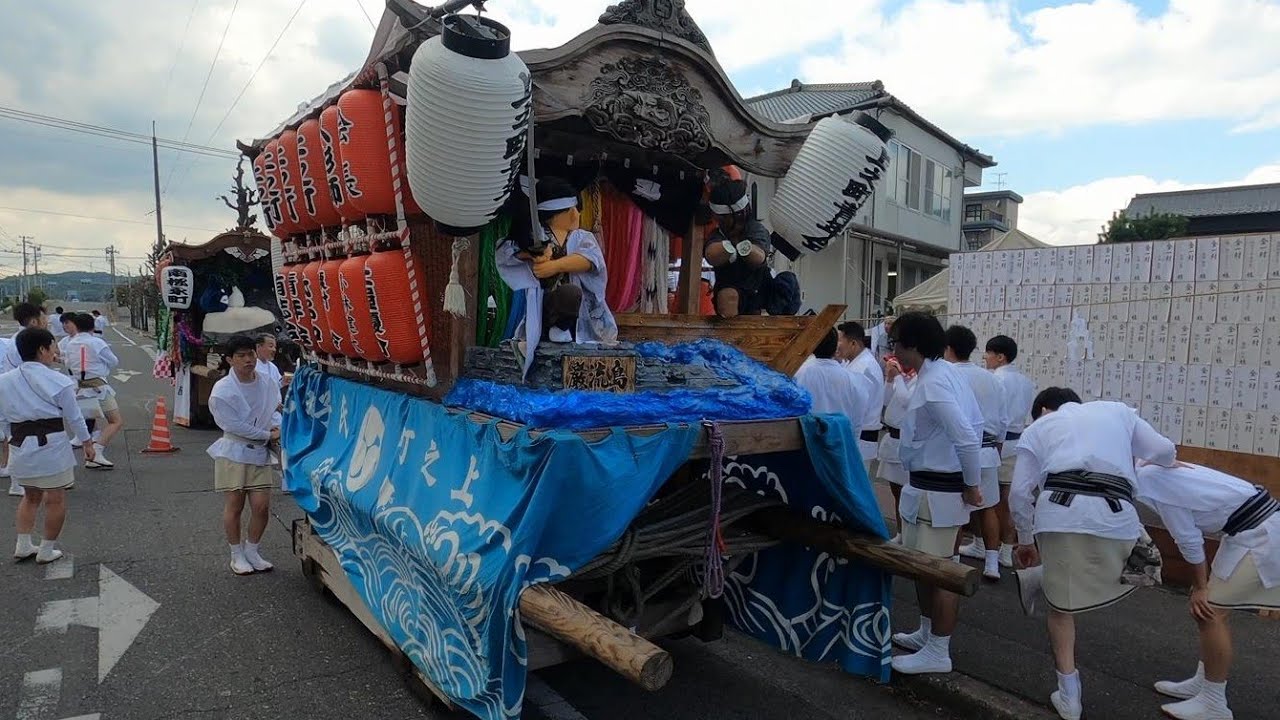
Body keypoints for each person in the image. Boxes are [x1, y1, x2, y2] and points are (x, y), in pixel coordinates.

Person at [1010, 387, 1178, 720]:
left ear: (1044, 410)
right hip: (1117, 514)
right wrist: (1149, 462)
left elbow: (1018, 494)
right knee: (1138, 568)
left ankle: (1070, 696)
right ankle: (1048, 577)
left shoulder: (1037, 428)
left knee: (1061, 606)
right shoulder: (1117, 411)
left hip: (1056, 514)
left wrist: (1025, 541)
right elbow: (1166, 451)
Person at [1134, 462, 1278, 720]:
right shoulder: (1147, 467)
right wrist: (1200, 584)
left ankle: (1214, 703)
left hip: (1261, 532)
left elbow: (1187, 538)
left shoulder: (1150, 480)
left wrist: (1200, 586)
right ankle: (1204, 682)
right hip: (1244, 531)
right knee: (1207, 611)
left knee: (1210, 611)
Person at [887, 312, 985, 676]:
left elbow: (966, 436)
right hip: (926, 488)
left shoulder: (936, 383)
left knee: (940, 571)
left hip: (938, 491)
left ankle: (938, 650)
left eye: (897, 343)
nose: (895, 350)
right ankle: (928, 635)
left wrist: (972, 485)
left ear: (913, 345)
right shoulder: (939, 375)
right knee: (923, 569)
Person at [0, 328, 94, 564]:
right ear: (42, 349)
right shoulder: (60, 381)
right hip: (51, 446)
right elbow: (75, 417)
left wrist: (10, 438)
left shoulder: (4, 381)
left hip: (20, 445)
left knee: (30, 496)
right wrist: (87, 442)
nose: (55, 352)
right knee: (55, 497)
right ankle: (46, 549)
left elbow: (3, 419)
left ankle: (23, 545)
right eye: (53, 347)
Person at [497, 176, 617, 361]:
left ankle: (562, 328)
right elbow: (506, 253)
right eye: (574, 209)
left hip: (581, 311)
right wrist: (531, 254)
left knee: (570, 293)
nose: (577, 214)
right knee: (555, 300)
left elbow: (590, 260)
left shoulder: (582, 237)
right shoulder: (538, 236)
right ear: (562, 213)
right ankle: (551, 328)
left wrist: (554, 266)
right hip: (545, 304)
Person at [208, 334, 282, 575]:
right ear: (230, 360)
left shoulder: (266, 382)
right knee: (235, 505)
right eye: (241, 356)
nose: (248, 359)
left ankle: (252, 550)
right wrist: (267, 435)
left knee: (261, 506)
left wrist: (276, 427)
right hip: (235, 451)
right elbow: (232, 425)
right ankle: (236, 554)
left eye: (250, 354)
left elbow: (271, 409)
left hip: (259, 451)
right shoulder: (222, 391)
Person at [946, 325, 1010, 581]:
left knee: (956, 508)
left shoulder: (946, 375)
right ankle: (992, 563)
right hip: (988, 449)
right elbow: (1003, 420)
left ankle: (954, 561)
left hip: (957, 450)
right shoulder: (991, 378)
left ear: (947, 348)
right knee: (988, 507)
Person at [973, 334, 1038, 571]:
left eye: (989, 353)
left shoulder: (995, 380)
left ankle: (982, 545)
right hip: (1018, 442)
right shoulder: (1025, 381)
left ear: (1000, 357)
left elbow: (994, 416)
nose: (985, 357)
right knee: (1008, 501)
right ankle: (1006, 550)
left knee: (985, 500)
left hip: (997, 444)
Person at [702, 170, 772, 318]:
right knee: (728, 296)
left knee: (786, 284)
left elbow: (759, 257)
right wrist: (727, 249)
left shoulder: (755, 229)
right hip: (729, 286)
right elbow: (711, 255)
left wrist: (745, 248)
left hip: (759, 287)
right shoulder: (718, 234)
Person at [2, 303, 49, 497]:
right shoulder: (25, 340)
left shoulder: (17, 339)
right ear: (33, 321)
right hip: (21, 394)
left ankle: (20, 479)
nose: (47, 321)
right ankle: (18, 482)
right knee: (21, 437)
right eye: (43, 318)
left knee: (18, 436)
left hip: (13, 392)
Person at [64, 313, 121, 470]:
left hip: (79, 388)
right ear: (93, 326)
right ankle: (97, 450)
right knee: (115, 421)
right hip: (98, 387)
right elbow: (114, 361)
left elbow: (67, 364)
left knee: (88, 422)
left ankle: (89, 457)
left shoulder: (70, 343)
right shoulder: (96, 342)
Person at [795, 327, 868, 432]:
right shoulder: (852, 379)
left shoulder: (798, 374)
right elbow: (858, 418)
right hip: (840, 441)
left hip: (807, 441)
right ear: (836, 347)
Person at [837, 321, 885, 475]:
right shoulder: (853, 364)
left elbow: (857, 407)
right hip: (856, 436)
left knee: (856, 487)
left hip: (861, 437)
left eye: (840, 341)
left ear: (853, 343)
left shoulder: (864, 367)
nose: (837, 346)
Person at [877, 355, 915, 543]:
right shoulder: (901, 378)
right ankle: (901, 532)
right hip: (892, 438)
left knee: (907, 491)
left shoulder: (920, 377)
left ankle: (908, 533)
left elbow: (906, 401)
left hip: (907, 439)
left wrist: (898, 377)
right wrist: (890, 379)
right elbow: (885, 401)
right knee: (895, 490)